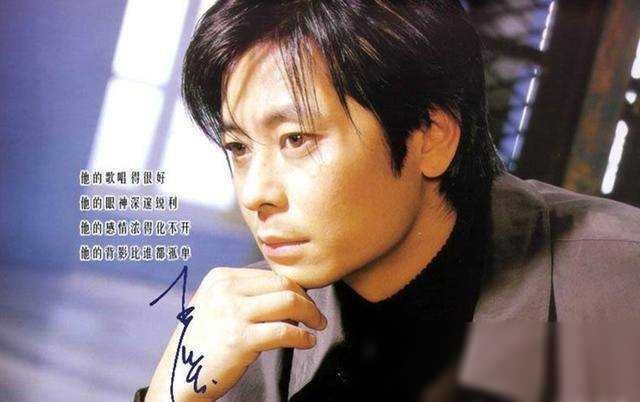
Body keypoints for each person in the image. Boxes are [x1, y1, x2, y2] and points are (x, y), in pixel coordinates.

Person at [136, 1, 640, 401]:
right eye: (239, 148)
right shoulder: (252, 329)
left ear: (431, 137)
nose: (255, 194)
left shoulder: (616, 281)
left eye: (296, 139)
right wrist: (172, 392)